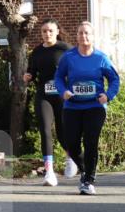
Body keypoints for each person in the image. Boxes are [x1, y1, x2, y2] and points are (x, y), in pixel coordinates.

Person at [54, 21, 120, 196]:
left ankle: (88, 180)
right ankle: (85, 169)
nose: (84, 36)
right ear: (76, 36)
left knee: (91, 141)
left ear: (93, 36)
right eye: (80, 33)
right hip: (72, 106)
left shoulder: (101, 58)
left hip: (95, 106)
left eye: (87, 33)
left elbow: (114, 79)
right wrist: (63, 91)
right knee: (71, 143)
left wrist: (108, 95)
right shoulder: (68, 57)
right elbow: (58, 77)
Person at [23, 19, 76, 186]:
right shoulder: (37, 52)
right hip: (44, 95)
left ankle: (71, 158)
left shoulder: (66, 49)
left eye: (50, 31)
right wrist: (28, 76)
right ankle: (49, 172)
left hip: (62, 95)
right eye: (44, 31)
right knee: (45, 130)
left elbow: (76, 69)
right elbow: (32, 71)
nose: (47, 34)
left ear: (57, 31)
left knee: (62, 132)